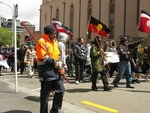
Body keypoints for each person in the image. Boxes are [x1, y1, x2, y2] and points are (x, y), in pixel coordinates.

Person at [36, 25, 65, 113]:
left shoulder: (55, 42)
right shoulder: (41, 42)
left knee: (61, 89)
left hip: (55, 70)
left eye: (55, 33)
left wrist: (59, 62)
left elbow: (58, 54)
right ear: (48, 34)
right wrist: (54, 63)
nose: (55, 35)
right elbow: (42, 56)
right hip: (45, 70)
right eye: (53, 33)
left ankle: (55, 109)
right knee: (45, 94)